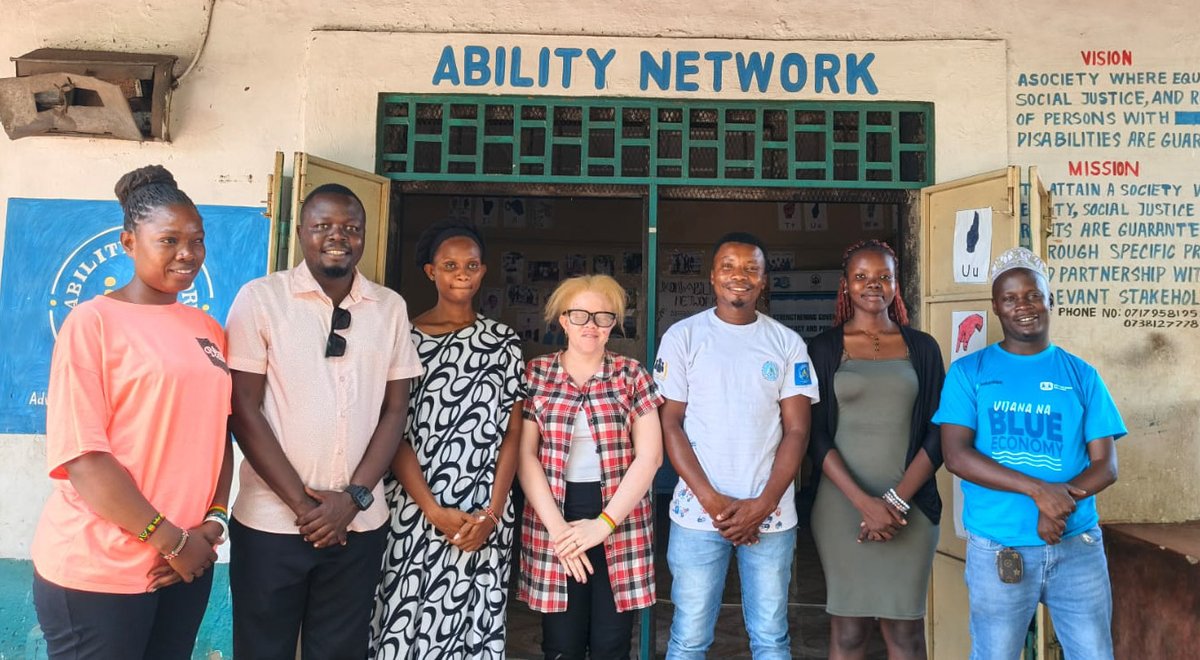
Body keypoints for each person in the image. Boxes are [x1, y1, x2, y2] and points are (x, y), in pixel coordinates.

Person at [31, 165, 232, 659]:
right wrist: (169, 539)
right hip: (101, 566)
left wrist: (212, 521)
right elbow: (84, 458)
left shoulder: (207, 327)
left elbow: (219, 433)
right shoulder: (93, 323)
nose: (187, 253)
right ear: (127, 242)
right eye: (169, 240)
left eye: (196, 240)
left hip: (186, 562)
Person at [225, 183, 423, 660]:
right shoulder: (261, 300)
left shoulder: (390, 308)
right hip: (271, 523)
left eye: (351, 228)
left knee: (339, 650)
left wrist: (352, 500)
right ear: (300, 234)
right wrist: (305, 507)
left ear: (364, 235)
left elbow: (395, 410)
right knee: (262, 650)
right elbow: (243, 409)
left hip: (358, 525)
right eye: (323, 227)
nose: (338, 236)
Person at [934, 247, 1127, 660]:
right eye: (1010, 298)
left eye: (1033, 295)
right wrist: (1040, 492)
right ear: (996, 308)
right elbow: (956, 455)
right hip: (998, 549)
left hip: (1077, 547)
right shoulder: (971, 373)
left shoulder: (1081, 375)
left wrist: (1057, 504)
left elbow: (1105, 465)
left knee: (1094, 654)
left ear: (1050, 300)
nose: (1023, 306)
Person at [655, 232, 819, 660]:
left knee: (770, 638)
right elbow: (669, 422)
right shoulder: (683, 336)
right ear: (712, 276)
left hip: (771, 514)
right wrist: (710, 500)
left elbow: (798, 431)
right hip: (696, 513)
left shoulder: (787, 344)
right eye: (728, 266)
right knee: (689, 637)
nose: (739, 276)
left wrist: (763, 504)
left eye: (751, 268)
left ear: (764, 280)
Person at [370, 219, 526, 659]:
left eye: (472, 265)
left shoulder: (504, 343)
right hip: (414, 508)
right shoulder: (403, 338)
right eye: (450, 264)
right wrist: (433, 509)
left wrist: (494, 513)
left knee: (471, 622)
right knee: (404, 616)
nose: (462, 273)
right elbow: (391, 428)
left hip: (482, 512)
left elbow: (513, 431)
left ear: (483, 271)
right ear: (430, 272)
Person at [807, 240, 945, 659]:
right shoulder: (824, 349)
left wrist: (896, 500)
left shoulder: (922, 348)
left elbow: (940, 431)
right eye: (862, 276)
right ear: (845, 285)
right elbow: (814, 437)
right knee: (848, 633)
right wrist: (865, 504)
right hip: (840, 507)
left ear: (896, 284)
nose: (873, 285)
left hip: (911, 507)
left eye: (884, 276)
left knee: (906, 634)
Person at [518, 274, 664, 660]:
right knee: (561, 642)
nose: (591, 326)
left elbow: (650, 457)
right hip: (555, 514)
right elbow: (525, 456)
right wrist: (560, 532)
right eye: (580, 315)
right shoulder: (537, 374)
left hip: (620, 515)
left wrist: (604, 524)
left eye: (603, 317)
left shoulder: (631, 375)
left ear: (614, 323)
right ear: (563, 320)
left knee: (611, 643)